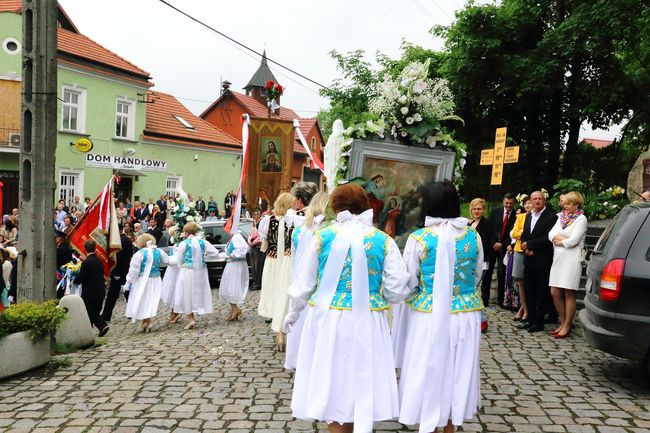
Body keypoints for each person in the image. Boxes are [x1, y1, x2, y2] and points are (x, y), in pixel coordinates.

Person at [283, 184, 410, 432]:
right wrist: (377, 292)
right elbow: (397, 288)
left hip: (329, 317)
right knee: (362, 379)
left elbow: (304, 284)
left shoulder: (322, 237)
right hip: (369, 318)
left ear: (335, 207)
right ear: (366, 207)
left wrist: (293, 313)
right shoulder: (382, 240)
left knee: (333, 379)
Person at [392, 181, 484, 433]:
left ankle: (430, 422)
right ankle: (450, 425)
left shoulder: (418, 238)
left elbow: (409, 279)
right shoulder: (473, 236)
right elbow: (477, 275)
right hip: (465, 312)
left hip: (428, 313)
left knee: (426, 365)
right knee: (458, 369)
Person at [284, 191, 329, 371]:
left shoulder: (298, 231)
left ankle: (295, 358)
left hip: (299, 280)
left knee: (299, 320)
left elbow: (294, 259)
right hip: (319, 284)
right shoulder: (327, 231)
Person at [258, 192, 295, 352]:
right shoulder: (294, 221)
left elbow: (263, 240)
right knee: (287, 295)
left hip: (273, 261)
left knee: (276, 293)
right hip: (288, 261)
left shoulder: (268, 221)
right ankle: (286, 331)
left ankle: (280, 333)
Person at [548, 191, 587, 338]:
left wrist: (560, 240)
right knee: (554, 292)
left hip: (572, 259)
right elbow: (550, 234)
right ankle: (563, 322)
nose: (565, 206)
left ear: (576, 204)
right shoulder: (560, 217)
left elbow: (573, 241)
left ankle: (567, 325)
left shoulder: (581, 219)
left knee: (568, 292)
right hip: (558, 257)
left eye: (568, 204)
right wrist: (562, 239)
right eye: (564, 203)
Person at [168, 222, 220, 329]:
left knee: (186, 293)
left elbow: (178, 259)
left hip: (186, 271)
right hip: (200, 271)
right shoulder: (203, 242)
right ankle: (194, 314)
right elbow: (215, 252)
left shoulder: (184, 244)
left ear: (186, 232)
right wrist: (203, 255)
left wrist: (181, 264)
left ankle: (190, 319)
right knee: (196, 292)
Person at [520, 191, 558, 333]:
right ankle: (530, 319)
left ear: (545, 201)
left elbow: (548, 237)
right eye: (534, 199)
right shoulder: (529, 215)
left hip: (542, 259)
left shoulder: (551, 217)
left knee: (541, 291)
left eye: (540, 199)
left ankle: (539, 321)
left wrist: (530, 245)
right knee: (529, 290)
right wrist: (525, 246)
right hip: (529, 258)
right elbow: (525, 233)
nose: (537, 201)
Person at [124, 233, 169, 332]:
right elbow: (166, 260)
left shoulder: (139, 254)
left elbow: (134, 270)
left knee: (142, 298)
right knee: (151, 299)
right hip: (156, 279)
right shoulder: (158, 251)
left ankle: (147, 320)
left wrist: (129, 281)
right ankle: (146, 320)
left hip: (142, 280)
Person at [482, 193, 517, 314]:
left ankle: (501, 301)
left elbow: (512, 233)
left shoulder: (516, 215)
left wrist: (502, 244)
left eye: (511, 203)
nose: (508, 205)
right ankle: (484, 299)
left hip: (504, 248)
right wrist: (493, 243)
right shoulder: (495, 211)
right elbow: (489, 228)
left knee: (502, 274)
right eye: (506, 203)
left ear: (514, 203)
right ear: (503, 201)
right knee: (487, 273)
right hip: (492, 246)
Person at [74, 240, 110, 336]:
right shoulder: (99, 260)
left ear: (85, 249)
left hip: (90, 293)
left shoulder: (86, 262)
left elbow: (82, 276)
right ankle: (88, 331)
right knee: (93, 311)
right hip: (100, 291)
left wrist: (74, 279)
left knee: (90, 311)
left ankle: (102, 326)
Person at [468, 198, 492, 332]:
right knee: (472, 290)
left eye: (479, 209)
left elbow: (486, 245)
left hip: (481, 262)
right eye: (474, 209)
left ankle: (482, 319)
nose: (476, 211)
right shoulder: (469, 223)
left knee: (474, 291)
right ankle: (478, 318)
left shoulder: (486, 224)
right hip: (469, 262)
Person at [101, 227, 135, 321]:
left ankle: (106, 315)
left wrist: (117, 273)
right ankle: (132, 312)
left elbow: (119, 259)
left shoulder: (119, 241)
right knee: (127, 292)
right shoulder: (127, 239)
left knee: (112, 294)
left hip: (119, 271)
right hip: (126, 269)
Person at [219, 228, 250, 321]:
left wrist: (233, 254)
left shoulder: (237, 236)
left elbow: (243, 248)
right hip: (231, 264)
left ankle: (235, 310)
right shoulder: (232, 238)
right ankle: (234, 309)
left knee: (233, 286)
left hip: (236, 265)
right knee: (229, 287)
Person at [509, 195, 532, 322]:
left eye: (530, 203)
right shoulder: (520, 217)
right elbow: (514, 233)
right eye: (525, 203)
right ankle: (524, 308)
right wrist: (525, 232)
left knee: (530, 282)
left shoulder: (536, 217)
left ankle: (524, 309)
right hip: (519, 250)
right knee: (520, 282)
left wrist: (522, 232)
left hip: (532, 251)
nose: (528, 205)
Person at [248, 209, 265, 291]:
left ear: (259, 214)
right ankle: (254, 281)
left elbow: (260, 235)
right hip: (253, 247)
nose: (254, 216)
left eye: (255, 214)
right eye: (253, 214)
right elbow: (251, 234)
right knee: (253, 266)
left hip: (258, 247)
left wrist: (254, 241)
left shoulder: (261, 222)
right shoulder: (253, 223)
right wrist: (250, 240)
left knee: (257, 266)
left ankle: (258, 283)